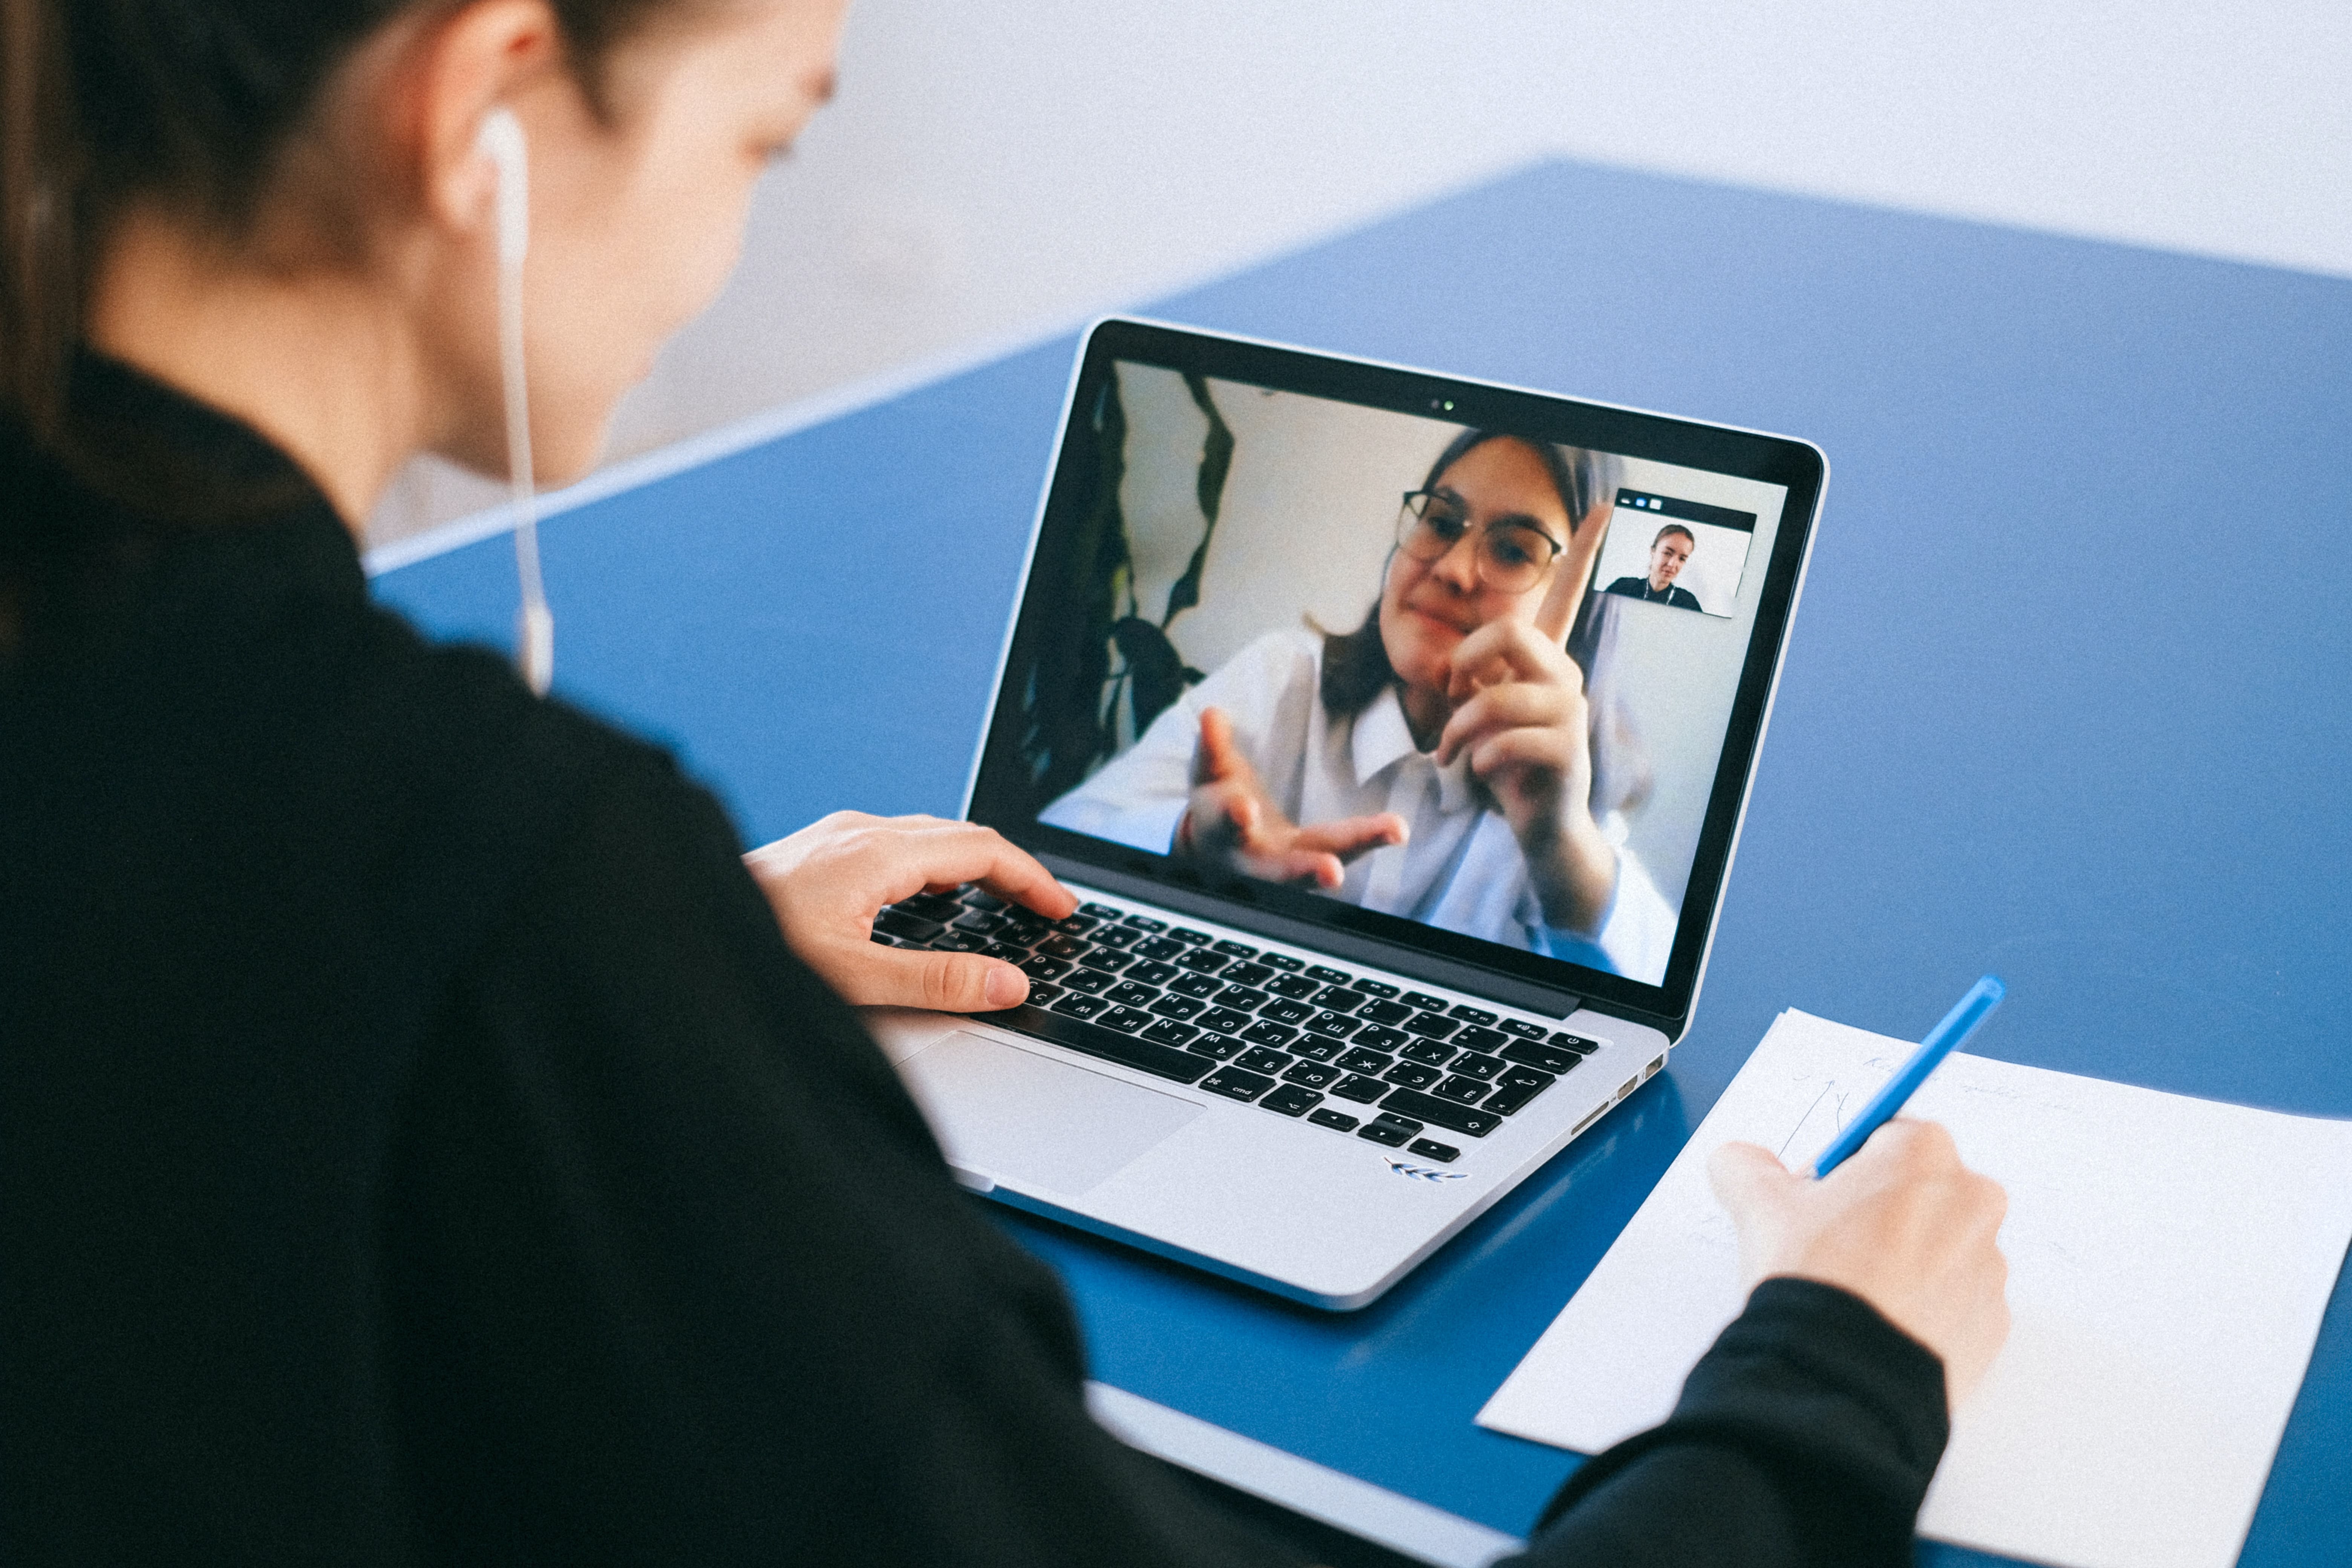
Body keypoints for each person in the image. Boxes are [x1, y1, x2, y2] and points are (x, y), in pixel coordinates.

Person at [0, 2, 2011, 1563]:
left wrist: (678, 955)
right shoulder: (512, 888)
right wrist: (1834, 1369)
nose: (729, 243)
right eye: (764, 137)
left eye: (1514, 552)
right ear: (486, 107)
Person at [1043, 429, 1678, 981]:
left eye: (1513, 550)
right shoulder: (1283, 677)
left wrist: (1561, 842)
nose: (1454, 569)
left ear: (1580, 609)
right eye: (1440, 521)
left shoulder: (1562, 799)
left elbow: (1652, 1000)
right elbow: (1064, 832)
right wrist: (1188, 841)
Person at [1605, 522, 1704, 611]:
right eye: (1667, 553)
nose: (1672, 564)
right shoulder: (1622, 588)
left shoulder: (1688, 603)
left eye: (1682, 559)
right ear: (1653, 551)